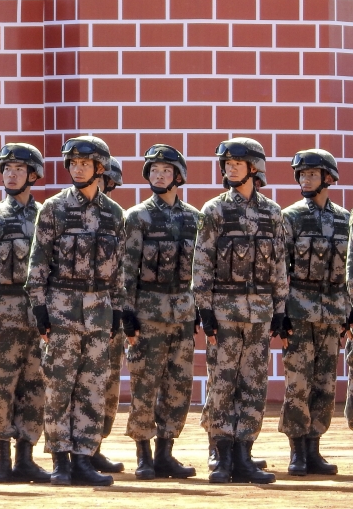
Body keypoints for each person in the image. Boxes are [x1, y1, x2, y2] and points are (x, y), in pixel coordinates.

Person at [26, 136, 125, 487]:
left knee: (92, 388)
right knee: (59, 387)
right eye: (72, 163)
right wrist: (39, 307)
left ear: (100, 168)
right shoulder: (53, 209)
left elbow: (118, 269)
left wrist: (118, 310)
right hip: (62, 311)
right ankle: (60, 461)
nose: (77, 168)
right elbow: (38, 263)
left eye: (84, 163)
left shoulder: (113, 214)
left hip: (99, 311)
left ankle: (83, 458)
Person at [193, 137, 285, 484]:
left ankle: (244, 453)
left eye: (237, 162)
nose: (230, 167)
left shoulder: (272, 213)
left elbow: (278, 265)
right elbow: (201, 262)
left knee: (253, 384)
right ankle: (221, 452)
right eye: (226, 163)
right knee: (222, 382)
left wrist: (279, 308)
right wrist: (204, 309)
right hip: (225, 311)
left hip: (260, 312)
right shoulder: (214, 211)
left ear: (254, 168)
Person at [0, 143, 50, 484]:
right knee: (2, 387)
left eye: (18, 169)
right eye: (6, 169)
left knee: (35, 387)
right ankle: (2, 458)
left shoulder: (47, 216)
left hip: (38, 316)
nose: (11, 174)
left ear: (33, 175)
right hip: (2, 315)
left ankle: (26, 457)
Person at [121, 145, 199, 480]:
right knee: (145, 384)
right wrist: (127, 312)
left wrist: (198, 310)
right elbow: (126, 269)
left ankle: (166, 453)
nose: (159, 176)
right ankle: (144, 455)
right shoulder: (138, 217)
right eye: (154, 171)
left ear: (178, 176)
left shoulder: (195, 218)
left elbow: (201, 269)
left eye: (165, 171)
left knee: (178, 385)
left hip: (182, 312)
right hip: (148, 313)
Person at [280, 150, 347, 476]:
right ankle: (296, 452)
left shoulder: (344, 219)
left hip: (333, 311)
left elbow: (349, 270)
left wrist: (349, 309)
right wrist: (281, 312)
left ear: (329, 179)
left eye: (311, 175)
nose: (304, 180)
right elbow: (279, 269)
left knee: (325, 383)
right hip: (299, 310)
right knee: (299, 383)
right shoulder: (290, 218)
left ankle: (314, 449)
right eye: (301, 175)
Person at [92, 156, 126, 475]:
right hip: (77, 314)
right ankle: (77, 448)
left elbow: (123, 272)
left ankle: (96, 445)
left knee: (109, 383)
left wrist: (121, 312)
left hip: (109, 314)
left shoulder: (118, 219)